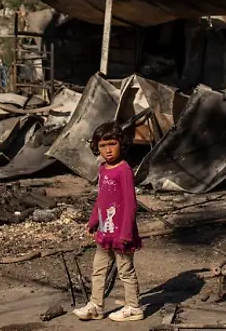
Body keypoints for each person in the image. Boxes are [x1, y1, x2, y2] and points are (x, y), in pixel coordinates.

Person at [72, 121, 143, 322]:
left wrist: (127, 234)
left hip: (122, 232)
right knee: (98, 269)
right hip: (105, 231)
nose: (108, 150)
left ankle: (133, 307)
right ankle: (96, 305)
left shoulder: (124, 171)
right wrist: (93, 221)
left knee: (125, 271)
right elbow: (102, 199)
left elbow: (130, 204)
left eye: (112, 144)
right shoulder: (103, 169)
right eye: (103, 146)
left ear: (121, 143)